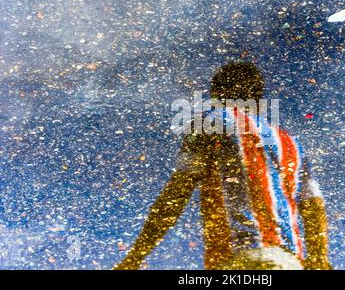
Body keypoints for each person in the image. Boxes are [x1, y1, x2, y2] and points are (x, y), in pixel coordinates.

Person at [114, 62, 332, 270]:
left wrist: (135, 258)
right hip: (290, 260)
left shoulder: (212, 123)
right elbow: (313, 207)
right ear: (257, 97)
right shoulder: (290, 142)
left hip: (244, 257)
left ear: (217, 94)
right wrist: (319, 260)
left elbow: (178, 192)